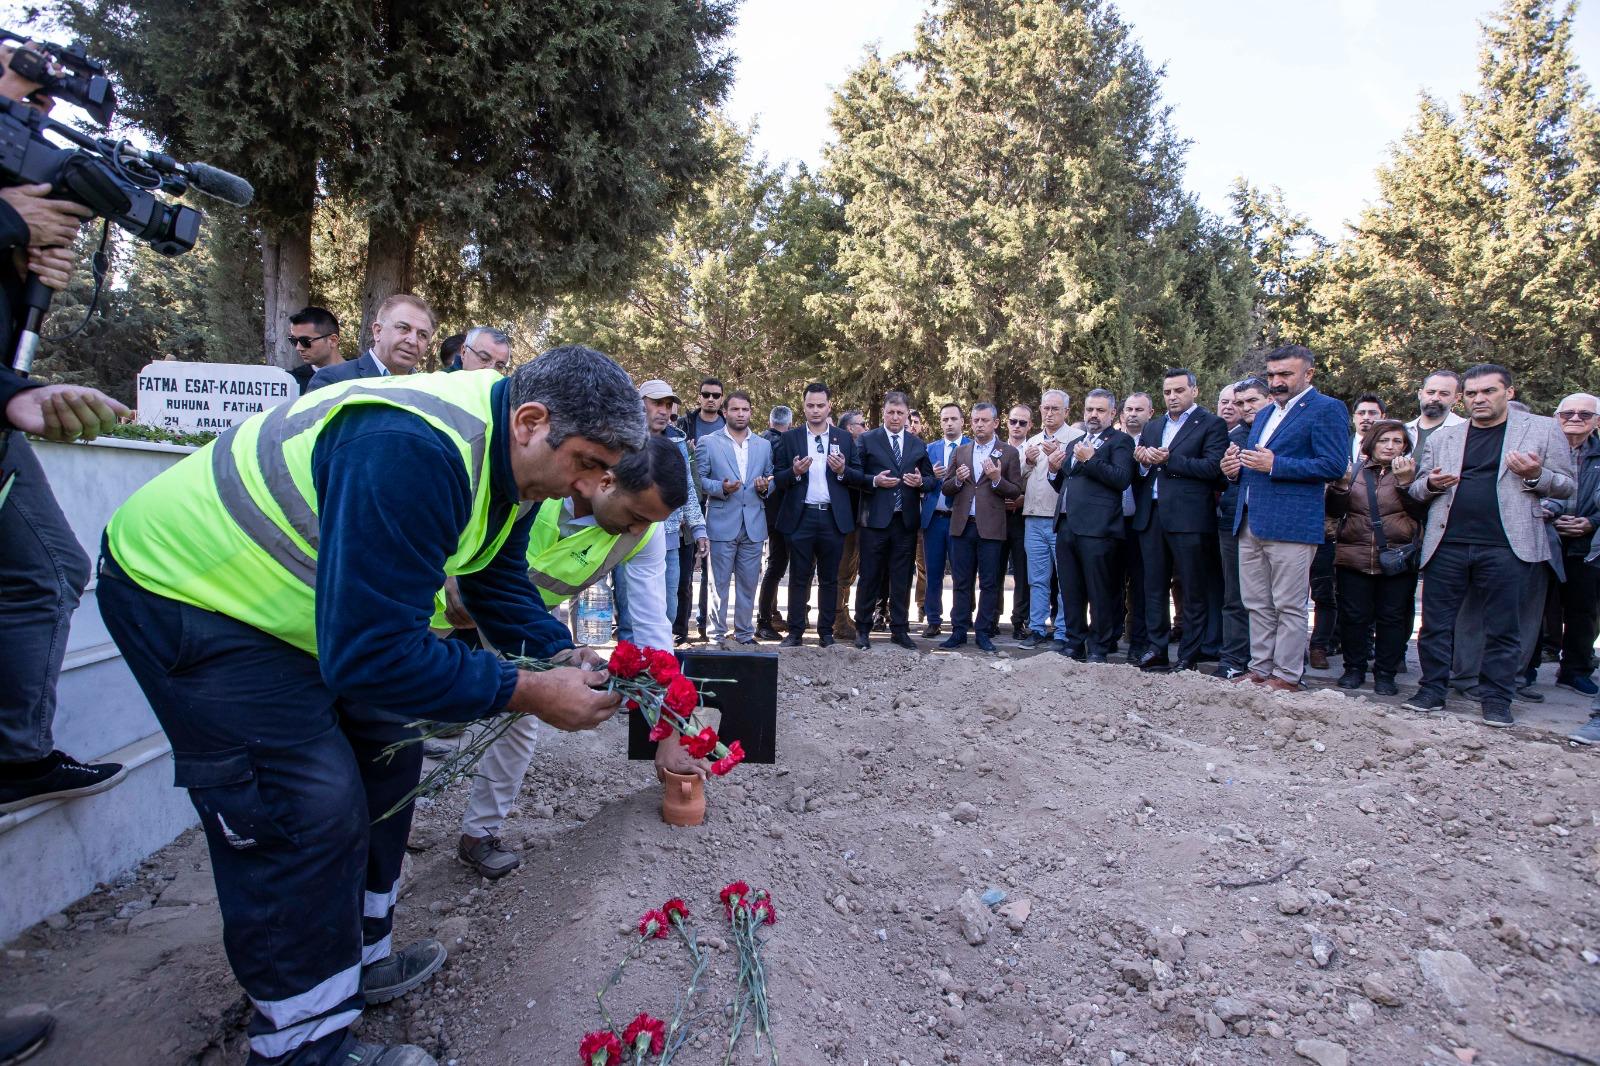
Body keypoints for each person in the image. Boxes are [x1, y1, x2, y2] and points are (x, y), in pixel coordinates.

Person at [97, 347, 646, 1066]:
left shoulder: (508, 455)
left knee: (389, 752)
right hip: (192, 591)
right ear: (531, 421)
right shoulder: (412, 448)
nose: (585, 489)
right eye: (584, 462)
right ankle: (303, 1046)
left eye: (602, 475)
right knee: (304, 803)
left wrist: (557, 653)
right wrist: (526, 690)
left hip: (297, 612)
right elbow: (370, 653)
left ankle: (356, 959)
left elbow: (495, 581)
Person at [456, 435, 700, 879]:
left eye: (649, 523)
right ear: (606, 482)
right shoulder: (540, 494)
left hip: (526, 617)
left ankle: (479, 834)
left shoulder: (642, 533)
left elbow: (651, 631)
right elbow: (481, 572)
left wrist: (670, 727)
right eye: (635, 517)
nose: (636, 531)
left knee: (519, 720)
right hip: (442, 602)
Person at [1403, 364, 1574, 726]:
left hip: (1508, 545)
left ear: (1508, 393)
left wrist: (1535, 475)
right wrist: (1432, 485)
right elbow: (1417, 489)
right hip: (1447, 542)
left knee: (1503, 627)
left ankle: (1497, 698)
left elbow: (1566, 486)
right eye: (1471, 394)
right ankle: (1432, 690)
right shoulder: (1444, 438)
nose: (1479, 399)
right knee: (1435, 625)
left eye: (1488, 391)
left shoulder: (1542, 430)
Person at [1225, 345, 1349, 691]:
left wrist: (1276, 464)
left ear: (1308, 374)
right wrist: (1233, 470)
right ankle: (1260, 668)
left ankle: (1287, 675)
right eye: (1272, 375)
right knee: (1256, 602)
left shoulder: (1327, 409)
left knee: (1289, 605)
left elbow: (1334, 465)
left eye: (1285, 374)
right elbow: (1254, 464)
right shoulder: (1264, 415)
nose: (1277, 381)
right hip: (1251, 519)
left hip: (1292, 523)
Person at [1131, 369, 1228, 672]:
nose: (1172, 397)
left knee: (1192, 588)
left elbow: (1213, 468)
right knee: (1153, 587)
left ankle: (1189, 653)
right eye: (1167, 392)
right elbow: (1141, 473)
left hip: (1189, 518)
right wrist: (1144, 464)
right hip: (1152, 515)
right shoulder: (1154, 426)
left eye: (1179, 391)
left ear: (1194, 392)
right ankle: (1156, 649)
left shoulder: (1212, 424)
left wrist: (1168, 459)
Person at [1325, 420, 1428, 695]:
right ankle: (1354, 668)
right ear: (1372, 442)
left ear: (1405, 446)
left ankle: (1385, 673)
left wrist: (1406, 485)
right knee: (1354, 616)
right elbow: (1335, 511)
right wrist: (1340, 487)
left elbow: (1421, 513)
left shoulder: (1414, 474)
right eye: (1384, 440)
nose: (1390, 446)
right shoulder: (1355, 470)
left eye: (1397, 441)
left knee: (1392, 618)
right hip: (1353, 555)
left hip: (1397, 558)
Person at [774, 383, 863, 646]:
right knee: (799, 577)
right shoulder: (790, 438)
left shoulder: (844, 438)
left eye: (820, 405)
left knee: (829, 578)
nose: (815, 410)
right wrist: (794, 473)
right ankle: (795, 632)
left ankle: (826, 632)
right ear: (803, 407)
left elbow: (858, 476)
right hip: (801, 516)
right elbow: (777, 478)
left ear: (829, 407)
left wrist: (842, 470)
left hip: (832, 518)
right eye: (810, 405)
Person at [1049, 389, 1134, 661]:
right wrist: (1053, 471)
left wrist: (1092, 459)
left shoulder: (1120, 442)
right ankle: (1074, 642)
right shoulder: (1076, 442)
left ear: (1112, 414)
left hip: (1098, 530)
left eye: (1099, 410)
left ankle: (1099, 646)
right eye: (1089, 410)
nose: (1093, 415)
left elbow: (1121, 479)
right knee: (1071, 590)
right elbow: (1069, 482)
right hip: (1067, 526)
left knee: (1100, 592)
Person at [939, 402, 1023, 652]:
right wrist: (958, 479)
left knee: (989, 583)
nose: (979, 425)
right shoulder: (962, 451)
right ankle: (958, 631)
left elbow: (1017, 490)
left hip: (991, 527)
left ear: (996, 423)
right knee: (961, 581)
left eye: (984, 420)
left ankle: (984, 632)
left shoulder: (1007, 452)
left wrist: (997, 479)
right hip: (963, 526)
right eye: (975, 420)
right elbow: (946, 488)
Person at [852, 391, 933, 649]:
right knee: (869, 577)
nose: (895, 417)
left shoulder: (917, 444)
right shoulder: (867, 440)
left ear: (907, 415)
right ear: (884, 413)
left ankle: (900, 629)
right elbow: (853, 475)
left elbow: (931, 481)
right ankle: (862, 628)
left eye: (900, 413)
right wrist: (874, 481)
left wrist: (921, 482)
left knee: (901, 578)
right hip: (874, 521)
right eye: (890, 412)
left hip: (905, 522)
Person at [698, 391, 774, 645]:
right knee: (717, 584)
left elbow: (770, 480)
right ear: (725, 412)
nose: (740, 414)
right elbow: (699, 481)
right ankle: (716, 635)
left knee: (749, 583)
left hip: (753, 524)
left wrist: (765, 486)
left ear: (751, 412)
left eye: (745, 409)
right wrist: (721, 487)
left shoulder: (763, 445)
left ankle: (744, 634)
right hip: (721, 522)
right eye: (735, 409)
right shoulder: (709, 442)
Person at [637, 380, 707, 643]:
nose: (664, 410)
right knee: (631, 610)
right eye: (657, 403)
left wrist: (699, 528)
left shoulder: (677, 441)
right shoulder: (623, 438)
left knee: (668, 607)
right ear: (640, 404)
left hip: (668, 538)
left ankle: (662, 667)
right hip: (628, 539)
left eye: (668, 405)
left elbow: (687, 489)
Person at [1213, 378, 1267, 679]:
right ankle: (1233, 659)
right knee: (1235, 597)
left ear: (1268, 399)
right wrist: (1229, 473)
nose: (1243, 408)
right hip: (1234, 521)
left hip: (1271, 522)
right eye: (1239, 402)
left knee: (1270, 600)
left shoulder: (1276, 432)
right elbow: (1223, 480)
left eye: (1251, 402)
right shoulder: (1232, 436)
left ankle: (1267, 664)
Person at [1546, 393, 1600, 695]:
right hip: (1543, 538)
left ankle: (1575, 670)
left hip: (1588, 545)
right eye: (1568, 414)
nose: (1575, 419)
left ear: (1597, 421)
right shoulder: (1540, 451)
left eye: (1584, 414)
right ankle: (1524, 671)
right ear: (1556, 417)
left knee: (1583, 611)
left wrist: (1591, 522)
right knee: (1534, 609)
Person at [1018, 390, 1078, 650]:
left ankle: (1064, 631)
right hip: (1033, 518)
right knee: (1038, 579)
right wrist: (1028, 462)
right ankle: (1037, 628)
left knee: (1066, 579)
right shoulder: (1031, 441)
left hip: (1061, 519)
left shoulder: (1076, 439)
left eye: (1055, 409)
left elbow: (1077, 477)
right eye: (1045, 408)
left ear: (1066, 411)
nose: (1049, 413)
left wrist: (1060, 457)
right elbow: (1017, 480)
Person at [675, 377, 724, 642]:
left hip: (718, 501)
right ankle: (680, 629)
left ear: (722, 399)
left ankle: (705, 624)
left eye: (716, 395)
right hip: (688, 503)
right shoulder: (684, 425)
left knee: (710, 571)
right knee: (682, 574)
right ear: (699, 397)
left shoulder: (728, 426)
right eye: (706, 394)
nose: (711, 399)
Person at [307, 294, 433, 390]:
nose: (413, 340)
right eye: (403, 328)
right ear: (378, 332)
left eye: (422, 335)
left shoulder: (427, 390)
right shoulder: (333, 380)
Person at [920, 403, 969, 636]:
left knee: (963, 572)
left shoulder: (972, 447)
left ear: (962, 421)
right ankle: (933, 619)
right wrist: (930, 476)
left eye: (953, 419)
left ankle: (962, 617)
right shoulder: (930, 449)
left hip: (962, 519)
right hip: (934, 520)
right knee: (933, 572)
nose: (949, 423)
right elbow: (920, 482)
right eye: (944, 419)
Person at [1115, 393, 1154, 659]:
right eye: (1128, 409)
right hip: (1112, 522)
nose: (1133, 414)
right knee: (1110, 583)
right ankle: (1109, 636)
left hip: (1143, 523)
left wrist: (1144, 464)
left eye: (1139, 409)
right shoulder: (1112, 442)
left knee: (1141, 585)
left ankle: (1139, 641)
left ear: (1150, 413)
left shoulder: (1156, 441)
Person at [997, 404, 1034, 640]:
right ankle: (991, 617)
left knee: (1023, 573)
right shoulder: (996, 449)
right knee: (994, 571)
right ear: (1006, 423)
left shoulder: (1036, 448)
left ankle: (1019, 620)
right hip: (997, 517)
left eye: (1022, 422)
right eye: (1013, 421)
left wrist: (1022, 500)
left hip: (1023, 518)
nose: (1017, 426)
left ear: (1030, 425)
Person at [755, 405, 793, 640]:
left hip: (760, 512)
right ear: (789, 423)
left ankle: (768, 616)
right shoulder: (786, 443)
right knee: (776, 567)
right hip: (780, 514)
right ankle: (764, 620)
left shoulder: (758, 441)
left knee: (771, 567)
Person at [832, 410, 868, 641]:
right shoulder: (840, 451)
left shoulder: (859, 448)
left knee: (850, 572)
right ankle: (837, 619)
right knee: (841, 572)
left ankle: (843, 614)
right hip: (842, 520)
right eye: (861, 424)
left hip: (858, 519)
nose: (865, 427)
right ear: (848, 429)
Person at [1405, 370, 1466, 456]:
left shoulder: (1465, 430)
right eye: (1430, 392)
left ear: (1456, 398)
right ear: (1420, 394)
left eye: (1444, 394)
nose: (1435, 398)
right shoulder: (1404, 430)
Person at [287, 307, 345, 394]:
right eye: (294, 341)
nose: (298, 348)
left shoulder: (361, 377)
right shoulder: (292, 382)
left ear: (333, 340)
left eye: (305, 341)